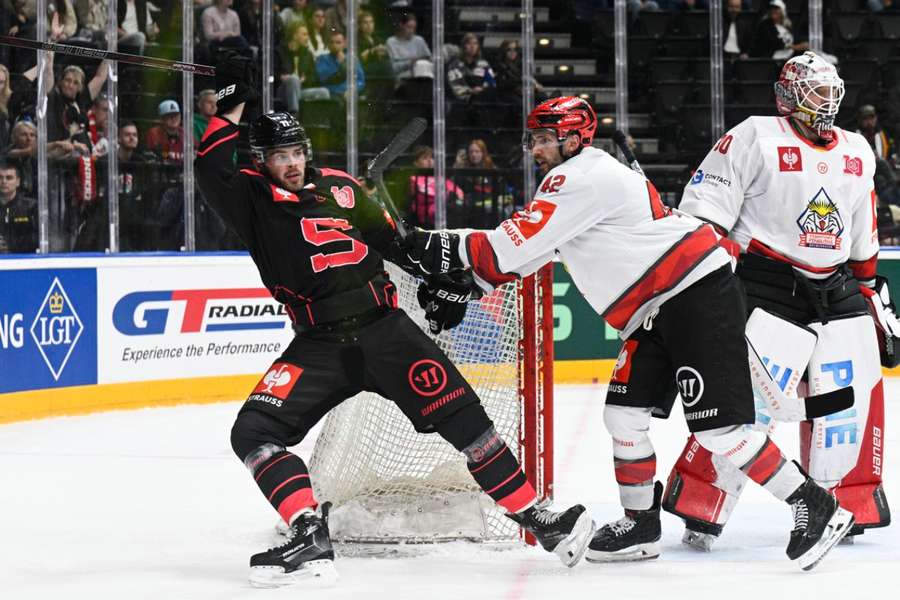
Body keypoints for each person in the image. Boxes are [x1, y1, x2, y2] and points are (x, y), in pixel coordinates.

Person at [401, 95, 855, 570]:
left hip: (693, 292)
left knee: (721, 432)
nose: (533, 149)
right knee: (624, 415)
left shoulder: (580, 177)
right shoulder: (575, 184)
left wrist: (419, 245)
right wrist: (466, 288)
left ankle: (815, 506)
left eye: (542, 139)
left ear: (573, 138)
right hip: (655, 309)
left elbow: (503, 250)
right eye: (531, 139)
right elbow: (530, 255)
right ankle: (641, 524)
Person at [194, 55, 596, 588]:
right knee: (254, 431)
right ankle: (309, 532)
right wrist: (230, 103)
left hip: (388, 331)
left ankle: (541, 521)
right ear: (260, 160)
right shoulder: (249, 198)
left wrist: (445, 284)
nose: (290, 164)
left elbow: (400, 246)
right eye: (278, 156)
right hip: (321, 345)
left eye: (296, 152)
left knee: (470, 426)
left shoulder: (341, 187)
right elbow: (209, 165)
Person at [663, 51, 893, 550]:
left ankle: (848, 499)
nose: (826, 100)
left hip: (835, 287)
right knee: (745, 405)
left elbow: (863, 231)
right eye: (815, 90)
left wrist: (874, 295)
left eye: (832, 90)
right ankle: (702, 500)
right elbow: (704, 211)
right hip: (765, 284)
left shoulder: (857, 150)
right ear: (788, 96)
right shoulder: (754, 135)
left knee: (851, 399)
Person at [406, 145, 464, 228]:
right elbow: (425, 195)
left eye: (431, 157)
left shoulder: (440, 177)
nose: (430, 160)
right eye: (425, 158)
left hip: (447, 213)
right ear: (416, 163)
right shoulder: (413, 179)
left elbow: (458, 192)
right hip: (426, 218)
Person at [277, 22, 329, 112]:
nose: (307, 37)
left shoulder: (307, 54)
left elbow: (313, 76)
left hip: (301, 90)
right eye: (304, 34)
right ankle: (294, 116)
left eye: (308, 34)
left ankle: (319, 123)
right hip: (283, 90)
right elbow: (270, 72)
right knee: (293, 79)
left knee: (324, 92)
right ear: (295, 36)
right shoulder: (280, 51)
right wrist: (281, 77)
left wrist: (305, 79)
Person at [0, 160, 37, 254]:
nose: (4, 181)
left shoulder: (31, 207)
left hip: (23, 261)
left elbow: (41, 238)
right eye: (0, 178)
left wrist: (10, 244)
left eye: (9, 178)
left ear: (18, 182)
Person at [315, 30, 365, 98]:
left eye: (338, 42)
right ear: (328, 44)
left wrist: (352, 90)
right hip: (332, 94)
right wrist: (342, 63)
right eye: (331, 42)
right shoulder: (322, 59)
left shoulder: (352, 59)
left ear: (344, 44)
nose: (334, 45)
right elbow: (325, 79)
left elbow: (360, 81)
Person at [385, 11, 432, 83]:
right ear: (401, 25)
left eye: (414, 28)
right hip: (403, 79)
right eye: (409, 27)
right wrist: (410, 63)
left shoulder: (419, 40)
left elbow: (429, 59)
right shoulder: (391, 42)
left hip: (422, 76)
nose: (412, 31)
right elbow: (393, 68)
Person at [145, 99, 185, 165]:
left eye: (176, 115)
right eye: (169, 115)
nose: (174, 118)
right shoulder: (154, 133)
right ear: (161, 118)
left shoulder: (185, 133)